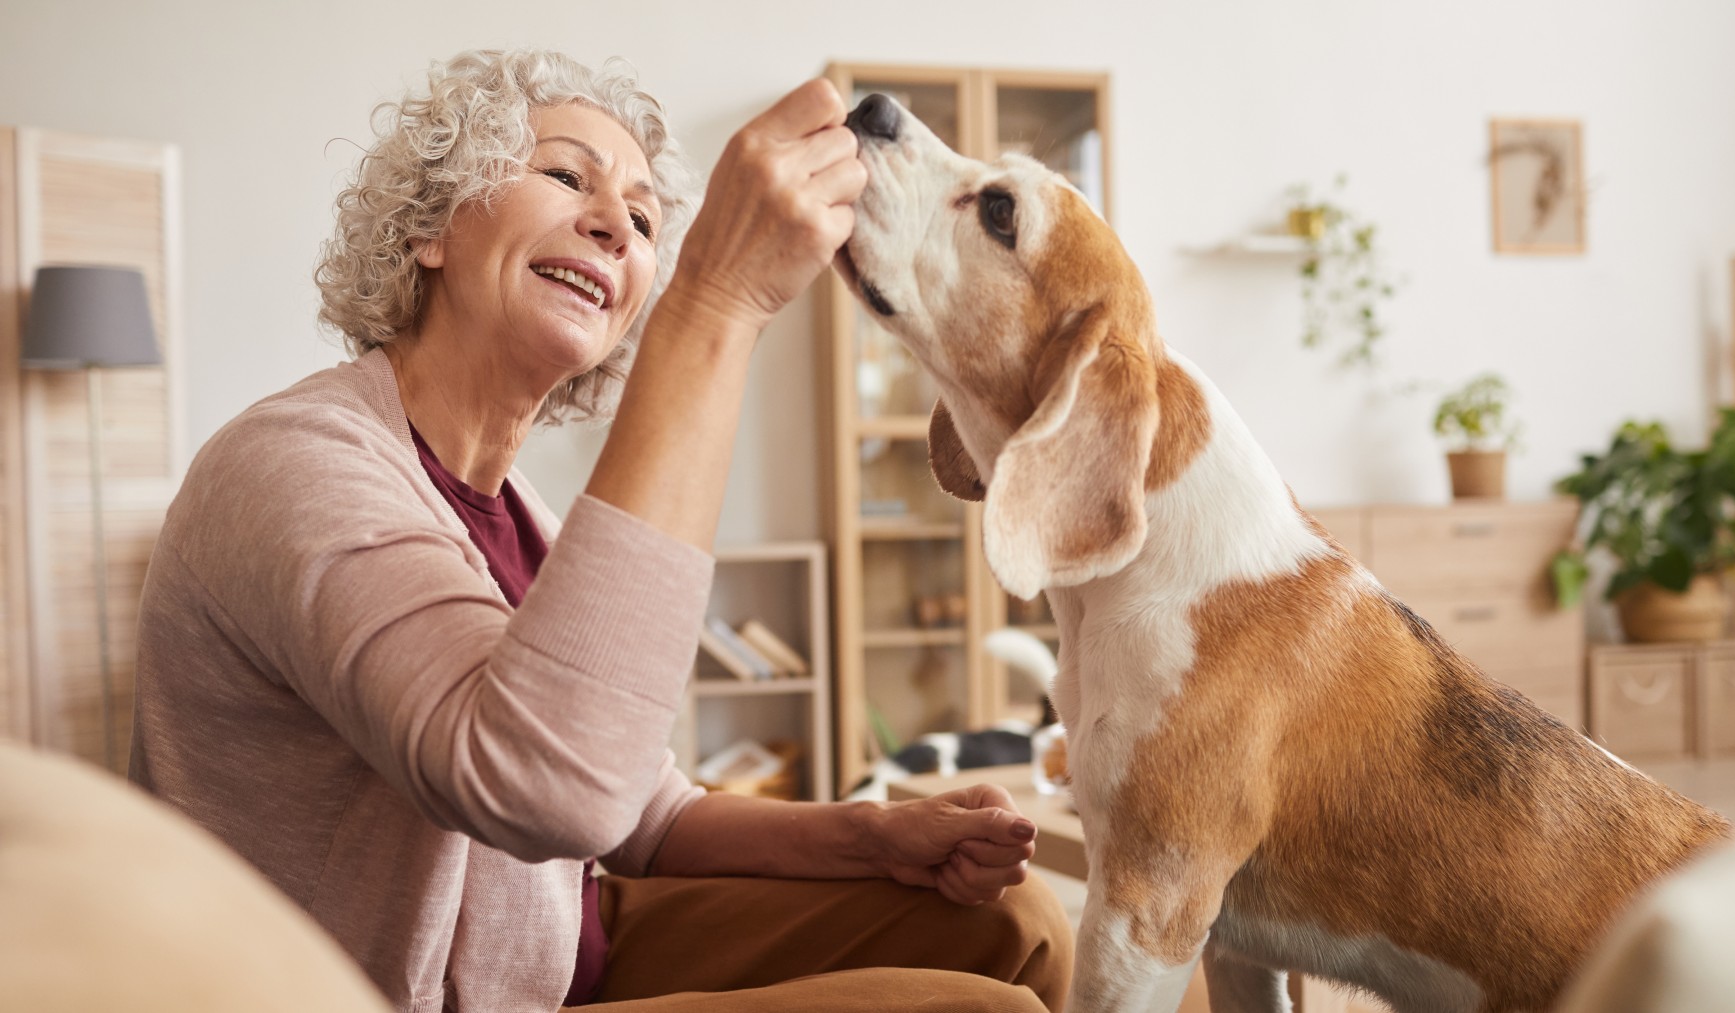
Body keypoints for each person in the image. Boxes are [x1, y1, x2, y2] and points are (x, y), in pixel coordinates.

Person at [129, 48, 1071, 1013]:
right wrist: (717, 297)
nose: (615, 222)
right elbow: (548, 787)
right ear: (432, 229)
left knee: (1019, 922)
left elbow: (643, 812)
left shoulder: (520, 511)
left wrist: (873, 834)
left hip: (562, 943)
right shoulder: (292, 461)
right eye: (566, 175)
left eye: (645, 219)